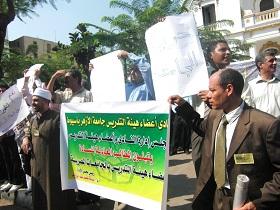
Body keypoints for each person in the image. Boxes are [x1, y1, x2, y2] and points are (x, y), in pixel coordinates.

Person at [168, 68, 280, 210]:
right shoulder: (215, 116)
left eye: (212, 90)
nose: (208, 95)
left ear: (229, 89)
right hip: (216, 198)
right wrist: (183, 105)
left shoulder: (265, 125)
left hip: (248, 202)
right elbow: (202, 127)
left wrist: (258, 202)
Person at [21, 87, 75, 210]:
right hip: (37, 168)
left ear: (45, 101)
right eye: (32, 100)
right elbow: (28, 131)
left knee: (55, 199)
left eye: (36, 100)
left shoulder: (57, 118)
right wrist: (25, 138)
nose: (32, 103)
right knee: (39, 199)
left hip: (53, 169)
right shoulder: (34, 119)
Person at [190, 40, 231, 175]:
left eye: (228, 50)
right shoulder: (197, 74)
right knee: (202, 167)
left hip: (226, 126)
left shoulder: (233, 76)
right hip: (202, 126)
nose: (228, 53)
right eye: (223, 50)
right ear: (210, 55)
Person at [0, 82, 25, 193]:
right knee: (6, 158)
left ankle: (17, 181)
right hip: (2, 136)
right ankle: (10, 180)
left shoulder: (12, 102)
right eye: (0, 91)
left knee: (14, 158)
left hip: (12, 135)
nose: (1, 92)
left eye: (3, 90)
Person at [242, 50, 279, 117]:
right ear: (260, 65)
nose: (275, 63)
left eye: (275, 60)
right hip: (261, 126)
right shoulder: (250, 86)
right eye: (271, 61)